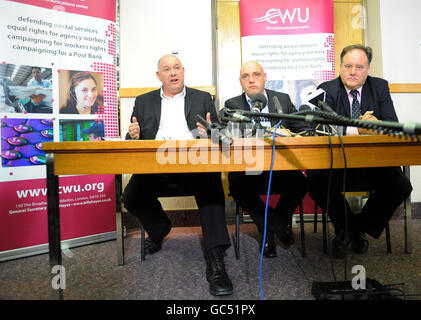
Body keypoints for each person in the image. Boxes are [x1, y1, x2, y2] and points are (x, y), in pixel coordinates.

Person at [122, 54, 233, 296]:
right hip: (156, 167)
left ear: (183, 71)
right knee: (130, 196)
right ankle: (160, 228)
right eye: (166, 69)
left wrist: (209, 134)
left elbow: (219, 139)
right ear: (158, 75)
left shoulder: (203, 99)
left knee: (212, 186)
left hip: (194, 165)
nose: (173, 73)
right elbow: (131, 140)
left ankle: (216, 262)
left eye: (176, 68)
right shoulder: (143, 101)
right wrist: (133, 135)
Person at [307, 44, 413, 259]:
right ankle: (350, 229)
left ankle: (353, 229)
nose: (352, 72)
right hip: (337, 164)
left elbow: (392, 124)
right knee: (315, 181)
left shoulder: (380, 87)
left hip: (372, 164)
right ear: (340, 67)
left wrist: (378, 124)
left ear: (368, 69)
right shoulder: (327, 89)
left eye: (359, 67)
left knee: (401, 185)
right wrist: (360, 128)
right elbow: (319, 128)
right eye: (348, 66)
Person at [224, 61, 308, 258]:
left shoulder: (283, 99)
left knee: (301, 183)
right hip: (248, 169)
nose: (251, 79)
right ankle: (278, 227)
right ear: (240, 81)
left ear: (265, 77)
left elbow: (300, 128)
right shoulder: (232, 105)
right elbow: (235, 134)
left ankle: (271, 228)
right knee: (236, 185)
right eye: (246, 76)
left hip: (281, 167)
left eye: (256, 74)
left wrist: (299, 133)